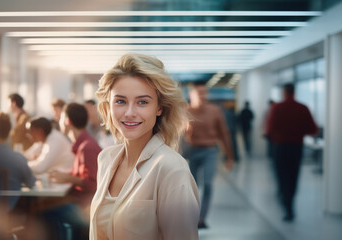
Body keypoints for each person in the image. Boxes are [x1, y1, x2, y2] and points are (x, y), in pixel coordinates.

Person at [90, 53, 200, 240]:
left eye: (142, 102)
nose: (130, 112)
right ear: (109, 105)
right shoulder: (106, 159)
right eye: (120, 101)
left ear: (159, 108)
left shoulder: (171, 168)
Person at [42, 103, 101, 240]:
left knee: (43, 214)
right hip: (80, 201)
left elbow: (93, 183)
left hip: (86, 206)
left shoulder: (87, 147)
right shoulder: (83, 145)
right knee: (43, 206)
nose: (58, 120)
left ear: (67, 121)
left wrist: (67, 178)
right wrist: (65, 176)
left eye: (61, 117)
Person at [184, 82, 234, 229]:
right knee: (192, 187)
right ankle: (191, 215)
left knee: (207, 184)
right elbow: (176, 136)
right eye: (199, 93)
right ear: (191, 95)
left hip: (210, 151)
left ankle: (201, 218)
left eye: (205, 93)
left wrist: (229, 156)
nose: (203, 96)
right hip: (191, 152)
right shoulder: (185, 112)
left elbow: (224, 133)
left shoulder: (214, 111)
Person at [266, 83, 317, 221]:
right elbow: (312, 129)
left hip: (280, 147)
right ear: (294, 92)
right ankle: (290, 203)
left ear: (284, 92)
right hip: (296, 147)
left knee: (282, 175)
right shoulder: (302, 108)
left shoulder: (277, 107)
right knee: (293, 176)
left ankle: (285, 200)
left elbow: (269, 129)